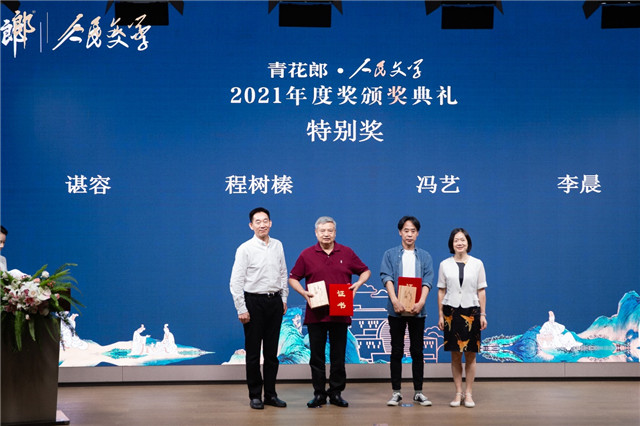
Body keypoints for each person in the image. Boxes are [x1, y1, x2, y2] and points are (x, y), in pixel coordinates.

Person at [289, 216, 370, 408]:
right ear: (316, 233)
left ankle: (336, 393)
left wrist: (358, 284)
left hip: (340, 312)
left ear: (335, 232)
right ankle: (319, 394)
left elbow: (366, 271)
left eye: (330, 230)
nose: (326, 234)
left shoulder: (347, 252)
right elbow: (293, 278)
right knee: (316, 357)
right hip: (316, 313)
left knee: (338, 356)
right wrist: (303, 293)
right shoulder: (307, 254)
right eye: (322, 231)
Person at [229, 207, 289, 410]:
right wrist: (241, 308)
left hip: (275, 302)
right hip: (253, 302)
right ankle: (255, 395)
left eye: (265, 221)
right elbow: (235, 281)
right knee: (253, 352)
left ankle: (271, 394)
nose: (262, 225)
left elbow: (283, 272)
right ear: (251, 225)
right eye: (258, 221)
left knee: (272, 353)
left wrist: (284, 298)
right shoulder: (245, 249)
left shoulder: (278, 245)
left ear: (270, 223)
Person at [380, 216, 434, 407]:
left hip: (418, 309)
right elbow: (386, 277)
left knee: (417, 351)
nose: (409, 234)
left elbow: (428, 280)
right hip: (396, 309)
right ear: (400, 232)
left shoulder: (425, 256)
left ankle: (418, 392)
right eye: (406, 230)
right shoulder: (390, 254)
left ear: (417, 233)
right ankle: (396, 392)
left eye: (413, 231)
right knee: (396, 350)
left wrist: (421, 301)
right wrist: (394, 300)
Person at [437, 228, 487, 408]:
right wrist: (441, 315)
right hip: (451, 311)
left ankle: (469, 393)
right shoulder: (444, 264)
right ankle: (458, 393)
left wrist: (483, 314)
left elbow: (481, 291)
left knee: (471, 355)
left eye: (462, 240)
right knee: (455, 355)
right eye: (456, 240)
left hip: (472, 310)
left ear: (468, 243)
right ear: (452, 244)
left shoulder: (477, 264)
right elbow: (441, 291)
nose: (459, 243)